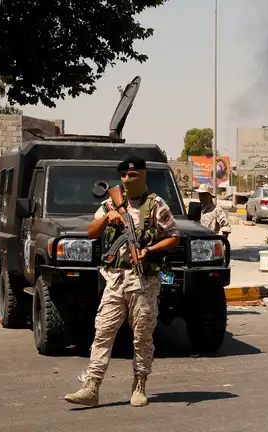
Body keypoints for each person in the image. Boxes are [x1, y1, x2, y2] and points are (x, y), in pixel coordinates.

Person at [65, 156, 180, 407]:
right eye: (124, 175)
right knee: (103, 331)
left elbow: (174, 236)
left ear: (143, 175)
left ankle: (139, 385)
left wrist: (148, 251)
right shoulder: (110, 203)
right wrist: (108, 217)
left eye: (133, 175)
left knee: (142, 335)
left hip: (143, 280)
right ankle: (91, 387)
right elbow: (91, 232)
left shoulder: (156, 204)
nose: (128, 179)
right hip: (116, 279)